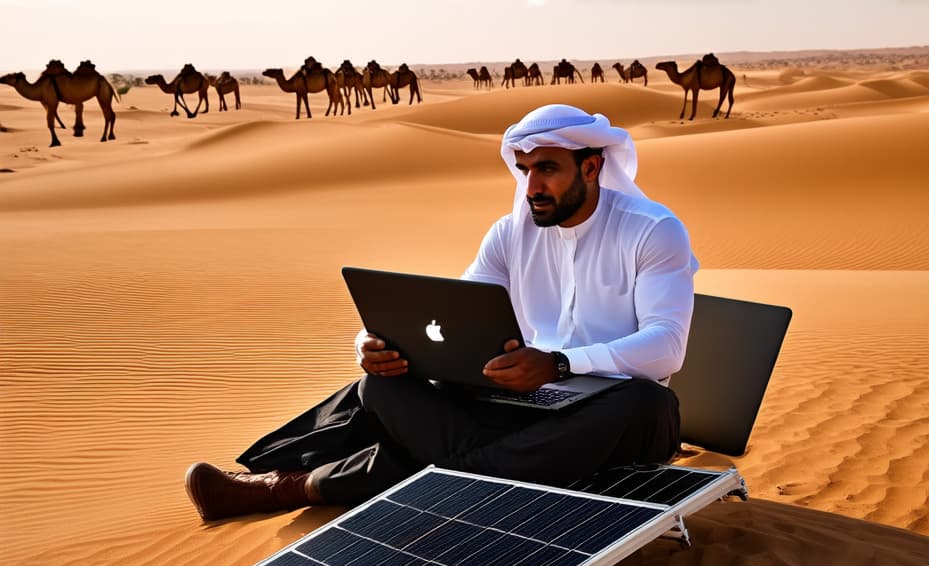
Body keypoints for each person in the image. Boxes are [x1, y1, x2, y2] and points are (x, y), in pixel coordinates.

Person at [184, 104, 699, 521]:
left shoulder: (652, 230)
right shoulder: (509, 233)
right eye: (524, 171)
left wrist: (559, 364)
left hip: (603, 414)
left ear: (591, 167)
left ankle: (291, 488)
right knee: (382, 386)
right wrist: (373, 344)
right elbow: (449, 315)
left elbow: (665, 346)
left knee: (646, 403)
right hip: (521, 410)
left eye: (547, 169)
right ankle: (478, 475)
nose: (532, 187)